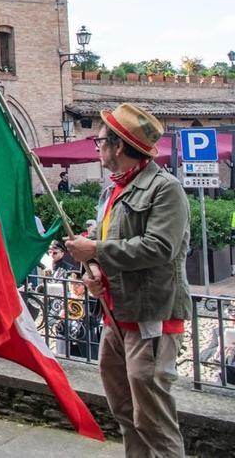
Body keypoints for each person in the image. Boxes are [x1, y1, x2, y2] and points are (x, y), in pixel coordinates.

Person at [66, 104, 189, 458]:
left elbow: (159, 247)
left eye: (100, 140)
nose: (97, 146)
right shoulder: (112, 192)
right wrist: (96, 273)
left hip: (151, 318)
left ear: (118, 146)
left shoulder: (165, 189)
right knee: (125, 413)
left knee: (153, 420)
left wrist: (96, 249)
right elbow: (111, 248)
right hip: (115, 316)